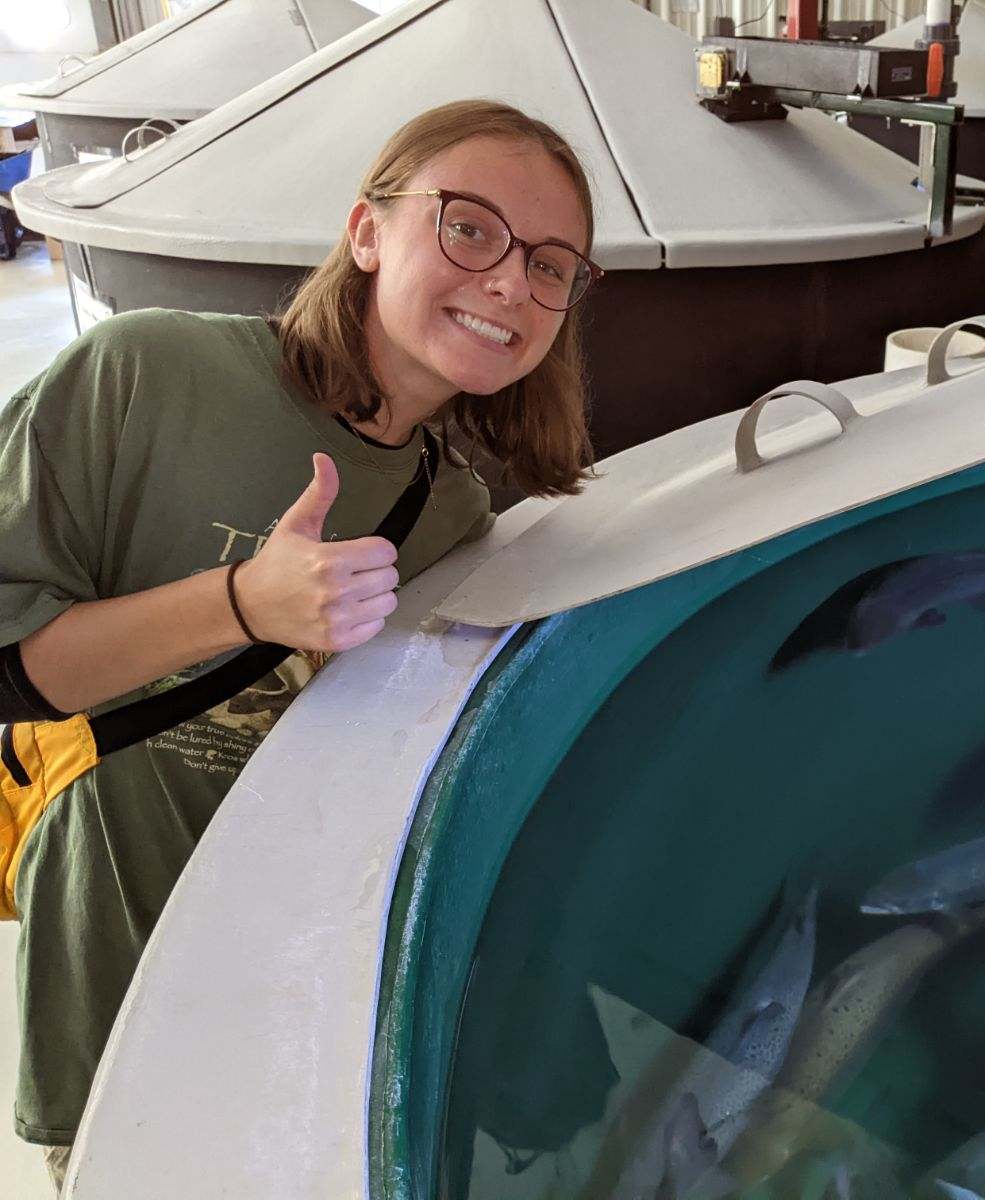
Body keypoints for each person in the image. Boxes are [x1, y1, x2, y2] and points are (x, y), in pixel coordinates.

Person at [0, 98, 600, 1192]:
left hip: (294, 1002)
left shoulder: (457, 515)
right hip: (112, 973)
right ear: (367, 232)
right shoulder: (144, 377)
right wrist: (240, 602)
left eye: (553, 264)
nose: (513, 282)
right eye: (469, 227)